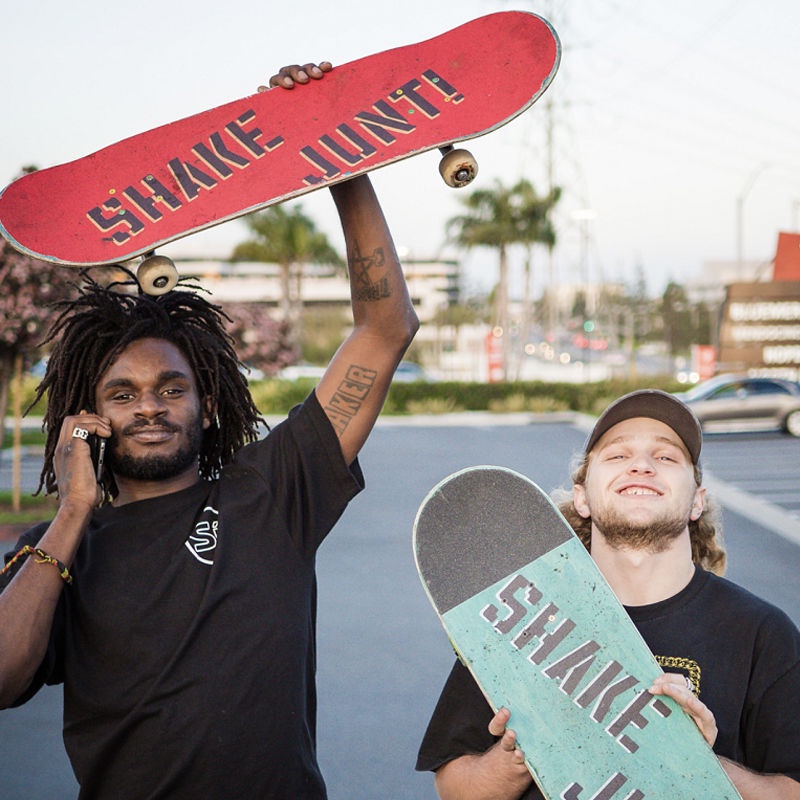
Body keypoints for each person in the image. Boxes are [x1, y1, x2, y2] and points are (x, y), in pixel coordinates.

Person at [0, 63, 419, 799]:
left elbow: (385, 329)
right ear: (91, 417)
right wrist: (70, 515)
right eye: (122, 394)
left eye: (171, 387)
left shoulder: (275, 489)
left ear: (211, 405)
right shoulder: (56, 551)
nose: (150, 407)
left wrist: (338, 154)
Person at [416, 389, 800, 800]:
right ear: (582, 496)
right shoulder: (523, 614)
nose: (641, 465)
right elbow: (455, 785)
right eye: (617, 456)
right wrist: (524, 750)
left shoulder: (760, 632)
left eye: (666, 457)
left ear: (696, 502)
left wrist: (692, 759)